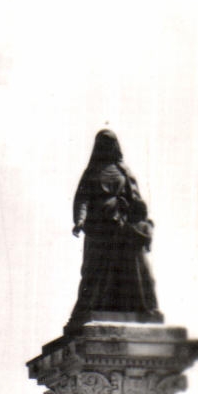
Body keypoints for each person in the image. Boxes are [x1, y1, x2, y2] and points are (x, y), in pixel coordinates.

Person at [67, 128, 161, 328]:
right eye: (102, 143)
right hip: (98, 230)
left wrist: (141, 222)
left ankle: (141, 308)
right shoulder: (91, 172)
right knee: (93, 273)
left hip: (121, 228)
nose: (106, 147)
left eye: (109, 143)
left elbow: (135, 199)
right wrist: (80, 220)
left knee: (129, 269)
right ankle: (83, 312)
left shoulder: (123, 172)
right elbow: (82, 199)